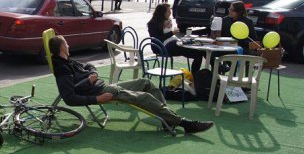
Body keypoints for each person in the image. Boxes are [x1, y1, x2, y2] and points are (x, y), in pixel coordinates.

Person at [49, 35, 214, 134]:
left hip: (101, 84)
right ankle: (184, 123)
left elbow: (88, 66)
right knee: (143, 97)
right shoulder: (62, 68)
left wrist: (93, 73)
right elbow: (69, 98)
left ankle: (168, 119)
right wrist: (97, 99)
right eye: (66, 43)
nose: (69, 45)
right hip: (102, 90)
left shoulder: (68, 61)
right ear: (62, 47)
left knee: (145, 83)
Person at [147, 3, 204, 75]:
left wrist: (174, 34)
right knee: (181, 45)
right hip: (162, 47)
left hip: (172, 43)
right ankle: (195, 78)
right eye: (168, 11)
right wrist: (172, 33)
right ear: (162, 12)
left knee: (199, 53)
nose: (170, 12)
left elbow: (170, 36)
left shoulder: (167, 21)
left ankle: (195, 77)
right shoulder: (152, 23)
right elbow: (158, 38)